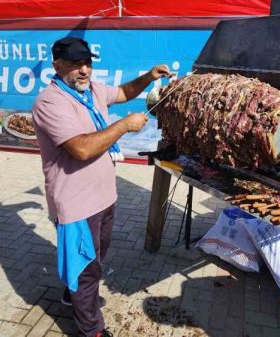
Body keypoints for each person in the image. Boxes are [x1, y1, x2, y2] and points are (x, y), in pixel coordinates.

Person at [32, 36, 172, 337]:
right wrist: (122, 126)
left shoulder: (92, 89)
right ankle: (92, 330)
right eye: (75, 64)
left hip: (104, 196)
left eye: (87, 62)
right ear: (57, 66)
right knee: (86, 269)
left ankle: (73, 296)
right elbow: (81, 149)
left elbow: (123, 92)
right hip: (76, 202)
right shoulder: (50, 102)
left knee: (97, 257)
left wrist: (148, 77)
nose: (84, 70)